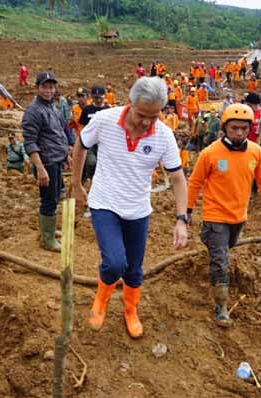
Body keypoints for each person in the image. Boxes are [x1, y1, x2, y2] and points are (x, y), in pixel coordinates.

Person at [70, 76, 189, 339]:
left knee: (134, 269)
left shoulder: (163, 136)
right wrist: (76, 184)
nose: (147, 122)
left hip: (137, 209)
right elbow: (80, 144)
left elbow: (178, 178)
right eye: (142, 115)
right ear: (129, 104)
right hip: (105, 204)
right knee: (114, 263)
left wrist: (182, 219)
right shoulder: (104, 121)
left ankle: (130, 310)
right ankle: (100, 302)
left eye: (154, 116)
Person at [187, 104, 261, 327]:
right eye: (234, 128)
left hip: (239, 217)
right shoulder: (210, 153)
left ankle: (210, 242)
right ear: (225, 127)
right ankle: (221, 307)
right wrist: (186, 211)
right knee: (221, 261)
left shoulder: (256, 152)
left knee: (226, 248)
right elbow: (195, 183)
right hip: (215, 215)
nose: (239, 133)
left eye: (244, 129)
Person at [23, 72, 72, 252]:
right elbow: (29, 142)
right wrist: (40, 168)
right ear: (37, 88)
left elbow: (59, 133)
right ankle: (47, 239)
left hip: (56, 160)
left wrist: (66, 155)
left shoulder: (53, 108)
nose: (49, 90)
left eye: (51, 87)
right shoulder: (34, 112)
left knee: (56, 195)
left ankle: (47, 231)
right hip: (46, 163)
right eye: (45, 87)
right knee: (49, 199)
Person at [79, 85, 110, 183]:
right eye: (96, 98)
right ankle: (91, 179)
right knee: (91, 162)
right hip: (90, 142)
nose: (98, 100)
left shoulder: (108, 110)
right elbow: (83, 127)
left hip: (104, 141)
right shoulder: (87, 110)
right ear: (92, 97)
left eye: (100, 97)